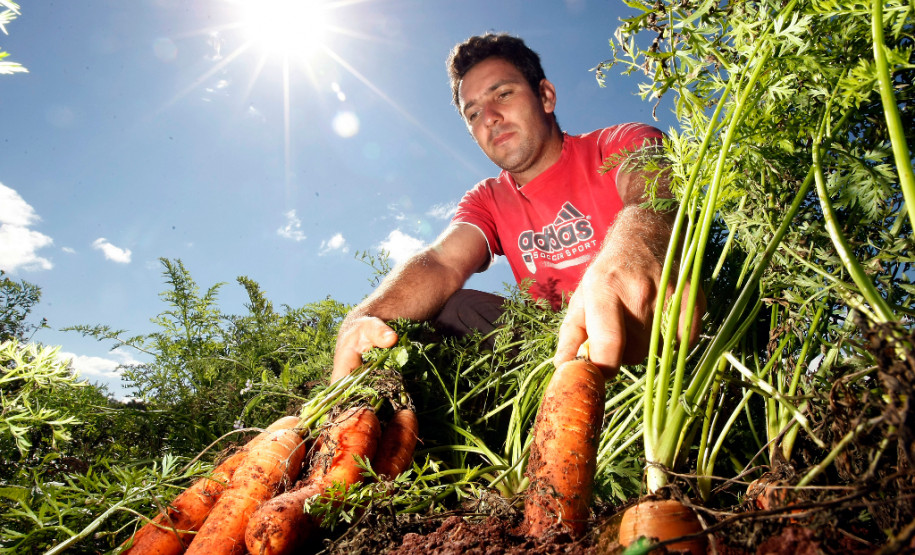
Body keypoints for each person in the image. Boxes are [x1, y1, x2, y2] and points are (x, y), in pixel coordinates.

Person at [331, 32, 703, 384]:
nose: (489, 117)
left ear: (545, 96)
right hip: (552, 354)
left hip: (656, 338)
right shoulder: (488, 198)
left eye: (503, 94)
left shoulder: (620, 141)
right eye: (473, 114)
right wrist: (362, 319)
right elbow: (443, 263)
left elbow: (653, 194)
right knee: (454, 311)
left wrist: (635, 247)